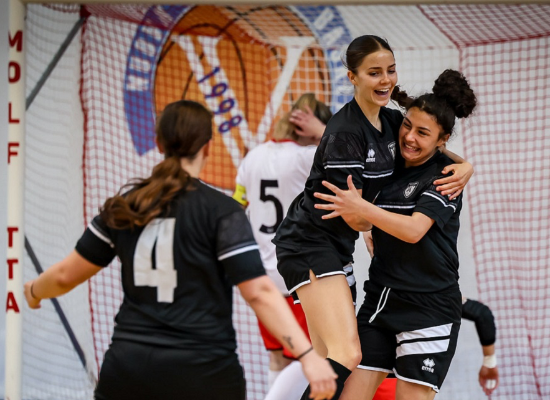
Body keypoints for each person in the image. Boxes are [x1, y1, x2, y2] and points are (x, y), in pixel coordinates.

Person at [23, 100, 337, 400]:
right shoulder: (222, 212)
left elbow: (64, 276)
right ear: (208, 147)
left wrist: (35, 290)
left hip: (128, 368)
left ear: (159, 143)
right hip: (203, 371)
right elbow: (259, 293)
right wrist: (307, 355)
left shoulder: (126, 206)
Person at [273, 35, 473, 400]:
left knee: (329, 359)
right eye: (374, 72)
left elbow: (431, 151)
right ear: (352, 76)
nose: (385, 79)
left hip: (341, 252)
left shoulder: (392, 121)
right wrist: (372, 219)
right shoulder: (346, 134)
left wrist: (467, 166)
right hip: (310, 244)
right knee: (347, 354)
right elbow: (357, 220)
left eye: (390, 70)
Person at [233, 93, 331, 399]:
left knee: (278, 356)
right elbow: (344, 153)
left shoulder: (252, 158)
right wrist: (323, 133)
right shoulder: (307, 157)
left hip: (265, 278)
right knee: (315, 356)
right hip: (299, 275)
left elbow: (237, 207)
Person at [363, 234, 500, 399]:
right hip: (395, 382)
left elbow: (482, 314)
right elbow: (482, 314)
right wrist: (489, 363)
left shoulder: (378, 298)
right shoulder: (429, 294)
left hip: (380, 383)